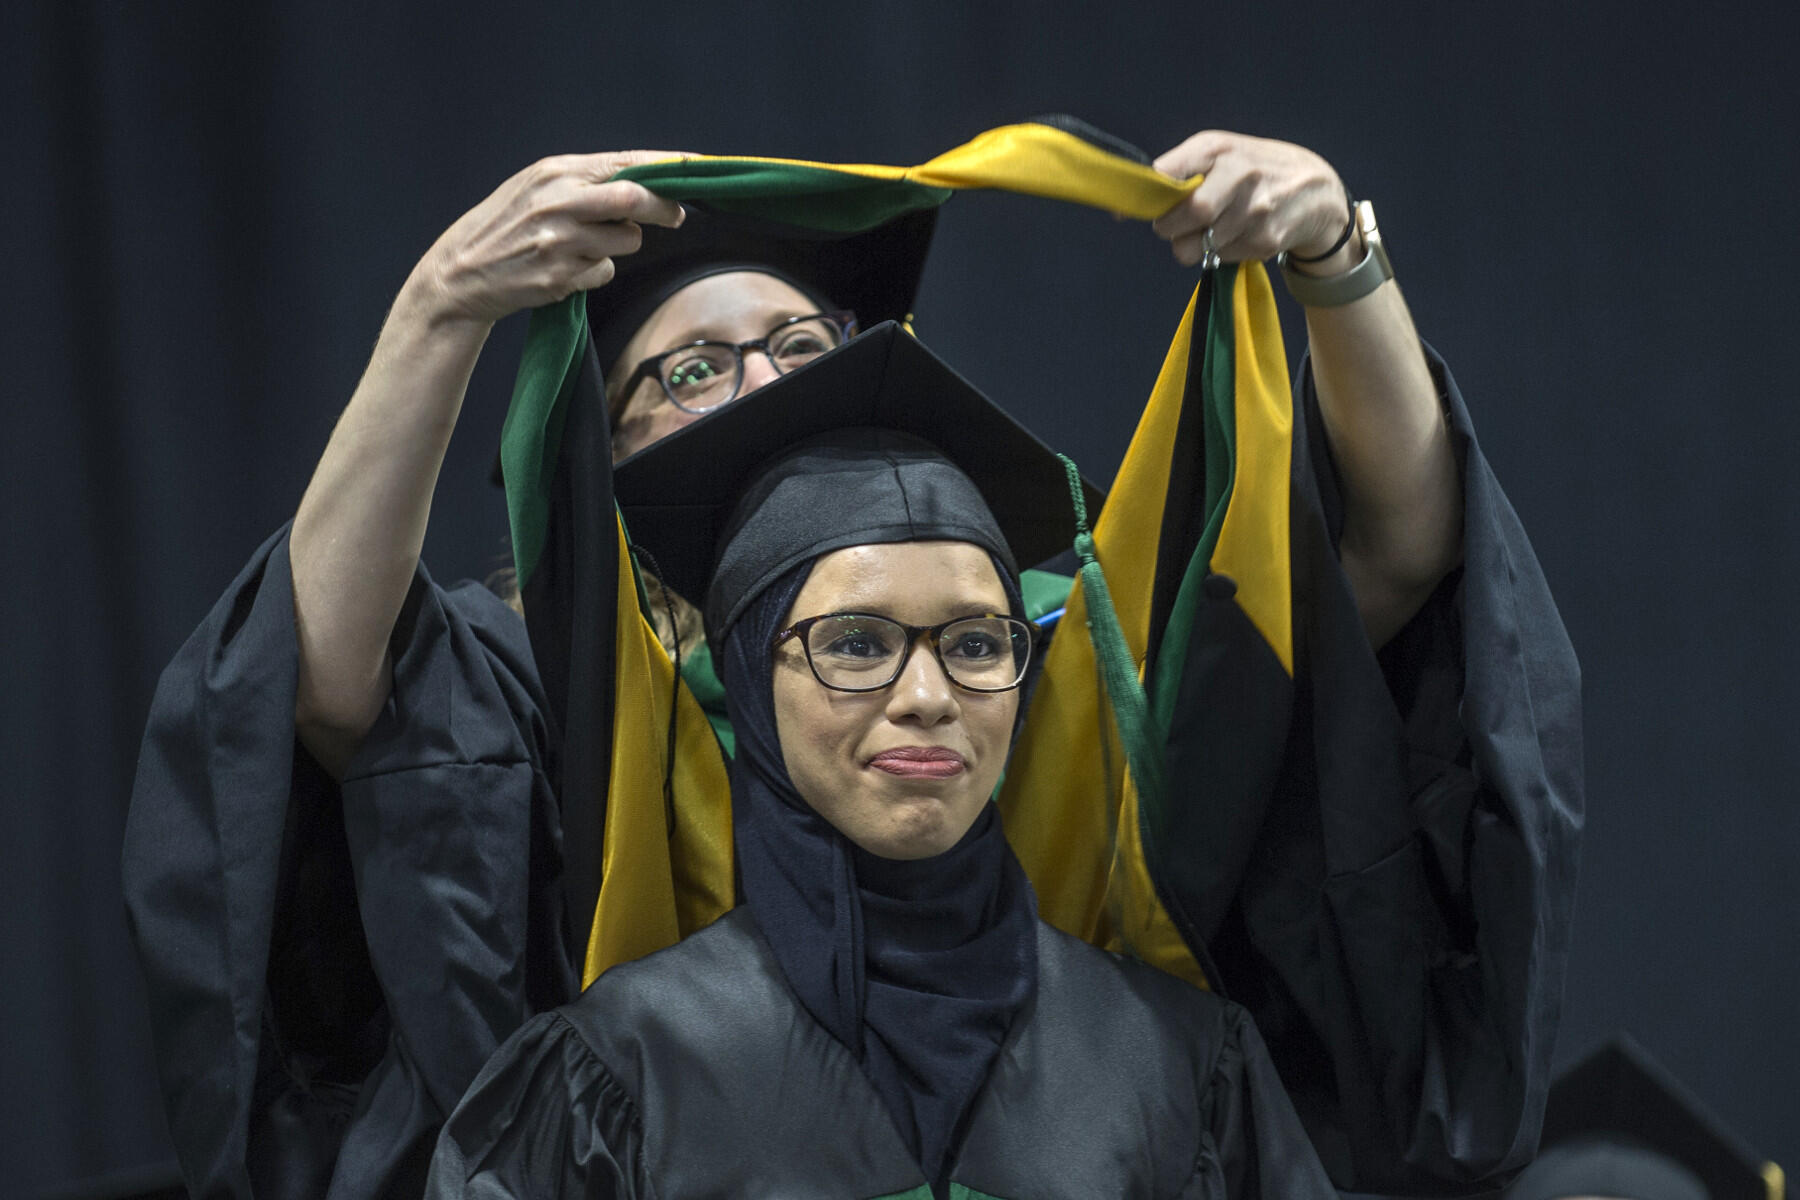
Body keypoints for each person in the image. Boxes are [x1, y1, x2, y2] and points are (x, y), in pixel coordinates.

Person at [125, 120, 1578, 1197]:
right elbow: (326, 687)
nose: (765, 382)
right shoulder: (563, 690)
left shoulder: (1049, 652)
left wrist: (1336, 261)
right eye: (688, 370)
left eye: (802, 342)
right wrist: (443, 304)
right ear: (608, 452)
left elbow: (1386, 557)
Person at [425, 325, 1341, 1197]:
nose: (930, 696)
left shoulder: (1176, 1061)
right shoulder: (623, 1070)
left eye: (978, 644)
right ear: (749, 676)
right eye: (857, 644)